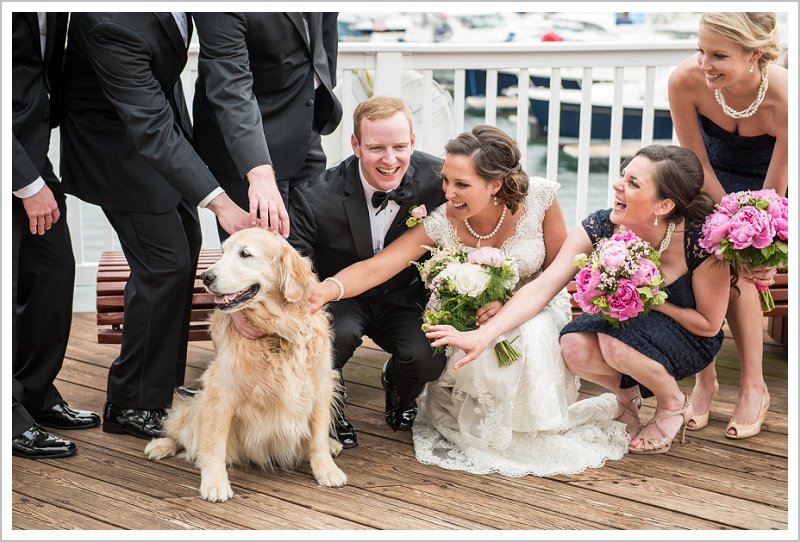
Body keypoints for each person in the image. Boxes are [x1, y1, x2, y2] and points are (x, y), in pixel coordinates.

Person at [309, 124, 631, 476]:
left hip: (536, 299)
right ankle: (487, 422)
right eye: (446, 180)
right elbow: (378, 267)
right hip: (472, 312)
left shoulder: (540, 198)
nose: (447, 193)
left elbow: (557, 272)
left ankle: (528, 424)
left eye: (461, 184)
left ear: (495, 184)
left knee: (532, 333)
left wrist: (508, 300)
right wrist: (326, 289)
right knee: (477, 336)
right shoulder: (441, 222)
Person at [426, 145, 731, 456]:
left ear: (664, 204)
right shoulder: (602, 226)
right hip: (626, 326)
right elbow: (545, 284)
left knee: (614, 343)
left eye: (633, 183)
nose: (617, 185)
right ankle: (627, 398)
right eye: (622, 176)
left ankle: (673, 402)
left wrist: (649, 298)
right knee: (573, 346)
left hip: (686, 336)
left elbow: (708, 326)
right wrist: (483, 335)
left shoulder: (700, 242)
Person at [58, 13, 252, 440]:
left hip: (166, 143)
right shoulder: (111, 22)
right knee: (163, 266)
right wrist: (221, 203)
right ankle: (130, 402)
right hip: (118, 153)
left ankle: (159, 388)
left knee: (184, 254)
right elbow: (147, 121)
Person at [283, 95, 447, 449]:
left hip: (406, 296)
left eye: (400, 146)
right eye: (376, 148)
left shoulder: (440, 180)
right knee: (332, 337)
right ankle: (329, 406)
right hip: (340, 296)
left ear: (413, 142)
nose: (390, 160)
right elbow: (296, 266)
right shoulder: (314, 197)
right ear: (356, 145)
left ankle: (400, 387)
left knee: (429, 357)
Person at [668, 12, 787, 439]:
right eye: (701, 50)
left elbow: (776, 192)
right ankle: (705, 379)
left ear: (755, 54)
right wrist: (726, 216)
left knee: (739, 262)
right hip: (706, 186)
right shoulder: (685, 81)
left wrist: (757, 237)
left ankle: (754, 385)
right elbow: (694, 162)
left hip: (771, 193)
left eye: (718, 55)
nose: (704, 64)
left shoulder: (788, 99)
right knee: (694, 248)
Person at [12, 12, 101, 459]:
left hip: (30, 155)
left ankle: (33, 393)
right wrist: (26, 184)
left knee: (53, 272)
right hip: (16, 166)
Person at [192, 12, 342, 241]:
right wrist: (259, 174)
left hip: (304, 125)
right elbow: (231, 89)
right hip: (244, 149)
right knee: (259, 259)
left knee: (313, 247)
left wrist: (324, 82)